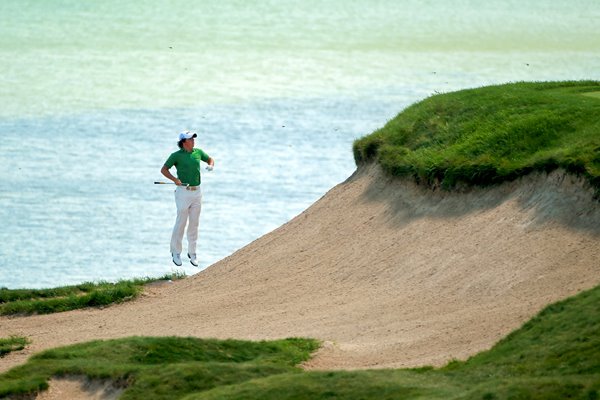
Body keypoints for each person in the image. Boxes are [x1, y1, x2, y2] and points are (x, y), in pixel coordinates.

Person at [160, 131, 214, 267]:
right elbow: (164, 170)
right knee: (181, 222)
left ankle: (193, 253)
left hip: (197, 192)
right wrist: (175, 179)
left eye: (193, 138)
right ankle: (176, 252)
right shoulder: (176, 156)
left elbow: (210, 159)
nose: (193, 141)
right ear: (184, 141)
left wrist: (211, 165)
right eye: (190, 139)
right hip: (183, 192)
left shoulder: (198, 152)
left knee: (194, 223)